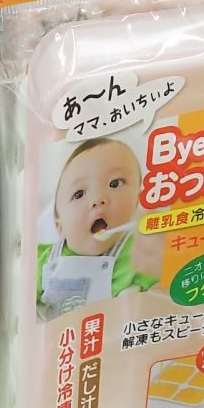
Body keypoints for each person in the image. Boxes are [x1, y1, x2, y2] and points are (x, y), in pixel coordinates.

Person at [37, 136, 163, 319]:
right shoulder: (42, 259)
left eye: (115, 183)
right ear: (60, 227)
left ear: (137, 202)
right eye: (79, 194)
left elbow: (164, 294)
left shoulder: (138, 250)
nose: (98, 199)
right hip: (62, 335)